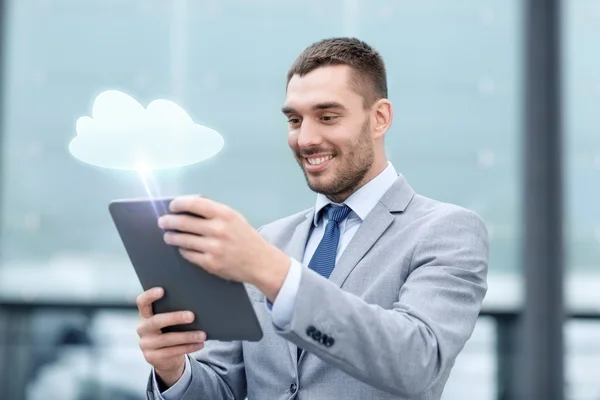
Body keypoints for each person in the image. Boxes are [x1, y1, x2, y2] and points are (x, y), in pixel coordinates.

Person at [136, 37, 489, 400]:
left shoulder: (447, 231)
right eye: (294, 120)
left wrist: (273, 273)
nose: (305, 139)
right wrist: (173, 371)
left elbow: (418, 362)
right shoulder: (268, 240)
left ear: (379, 118)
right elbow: (223, 387)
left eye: (327, 117)